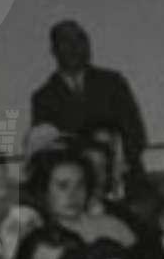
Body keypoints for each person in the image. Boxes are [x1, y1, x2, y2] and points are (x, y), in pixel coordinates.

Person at [29, 20, 148, 177]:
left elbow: (136, 134)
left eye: (79, 40)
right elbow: (46, 150)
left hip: (124, 176)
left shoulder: (113, 83)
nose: (74, 47)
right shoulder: (43, 98)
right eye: (66, 42)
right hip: (77, 183)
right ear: (54, 50)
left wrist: (117, 161)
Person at [27, 145, 137, 249]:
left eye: (79, 185)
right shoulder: (31, 235)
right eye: (63, 186)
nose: (73, 195)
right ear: (44, 190)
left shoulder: (113, 228)